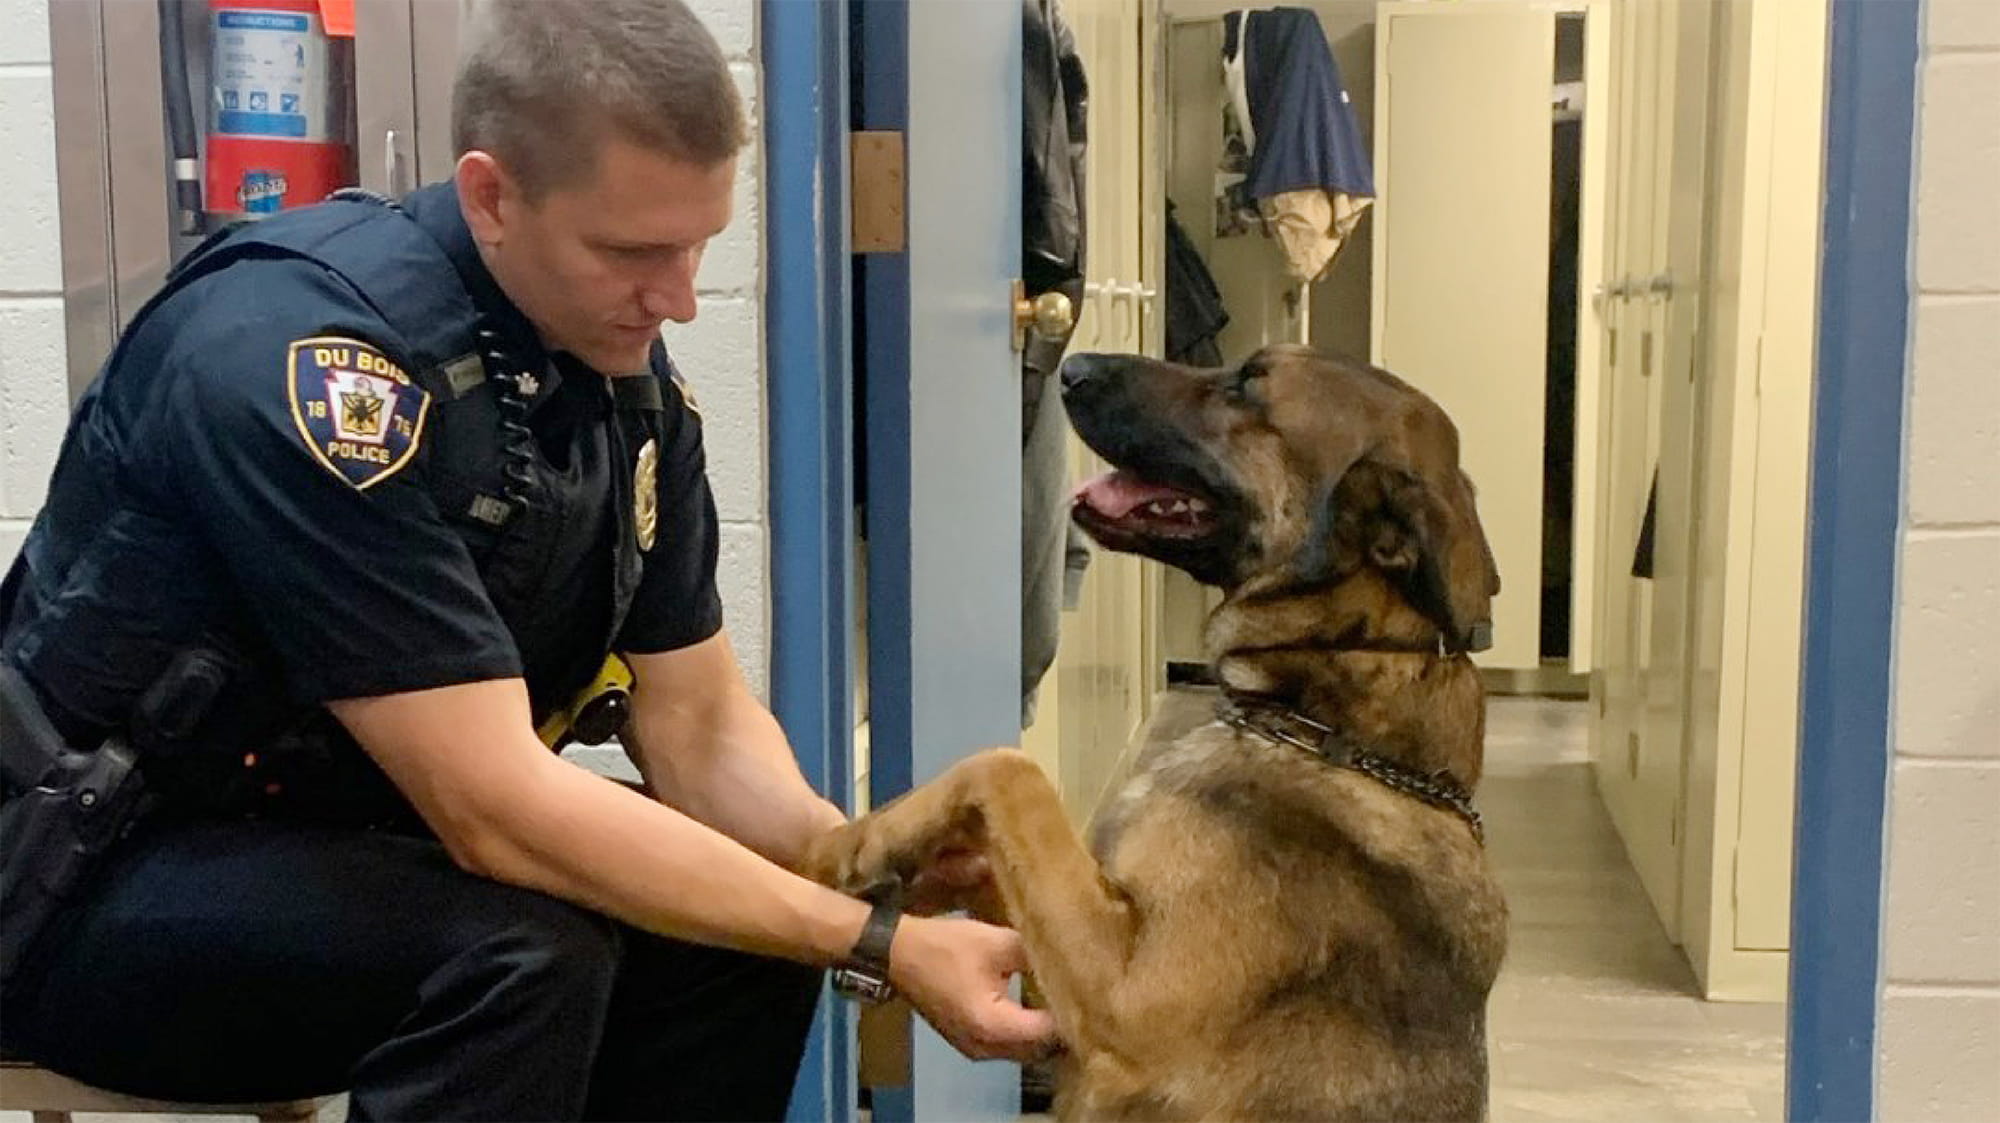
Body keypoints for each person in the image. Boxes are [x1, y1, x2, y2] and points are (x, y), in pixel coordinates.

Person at [0, 1, 1055, 1119]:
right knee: (521, 953)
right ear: (491, 195)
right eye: (632, 252)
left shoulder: (616, 385)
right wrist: (881, 944)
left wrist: (849, 863)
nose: (679, 297)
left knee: (740, 930)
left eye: (698, 245)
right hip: (73, 882)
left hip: (332, 856)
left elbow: (696, 725)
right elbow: (492, 808)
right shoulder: (297, 368)